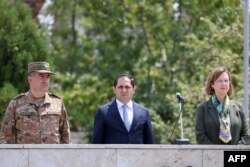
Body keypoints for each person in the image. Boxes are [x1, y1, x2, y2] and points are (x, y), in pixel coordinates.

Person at [0, 61, 71, 144]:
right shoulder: (16, 104)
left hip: (52, 156)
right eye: (41, 76)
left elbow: (66, 137)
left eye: (47, 76)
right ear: (30, 79)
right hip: (26, 156)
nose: (45, 80)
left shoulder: (58, 103)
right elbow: (5, 138)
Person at [92, 74, 155, 144]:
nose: (124, 90)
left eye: (127, 87)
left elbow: (150, 143)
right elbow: (96, 144)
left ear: (133, 89)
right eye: (120, 87)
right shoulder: (102, 112)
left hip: (138, 155)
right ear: (114, 89)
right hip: (112, 155)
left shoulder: (143, 112)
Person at [195, 67, 249, 145]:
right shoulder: (202, 108)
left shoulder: (239, 107)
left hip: (233, 156)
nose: (223, 84)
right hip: (211, 156)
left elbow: (246, 136)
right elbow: (200, 137)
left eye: (226, 81)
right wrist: (218, 153)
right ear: (212, 85)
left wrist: (235, 151)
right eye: (220, 81)